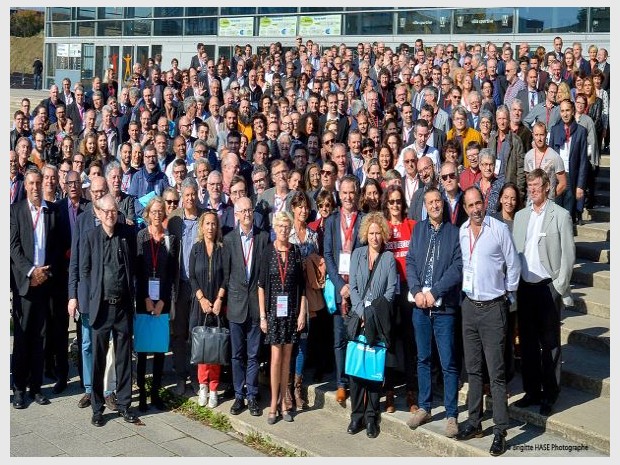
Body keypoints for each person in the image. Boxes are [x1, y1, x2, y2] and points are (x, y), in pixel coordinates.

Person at [455, 186, 521, 457]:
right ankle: (474, 421)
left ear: (484, 202)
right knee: (473, 370)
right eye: (470, 205)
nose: (475, 209)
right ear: (466, 208)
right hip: (469, 306)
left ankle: (500, 430)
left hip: (494, 307)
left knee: (496, 373)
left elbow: (514, 265)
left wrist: (507, 295)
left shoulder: (498, 229)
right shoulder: (461, 231)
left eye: (478, 203)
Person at [512, 169, 575, 417]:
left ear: (547, 187)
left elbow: (569, 255)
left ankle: (550, 393)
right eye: (530, 186)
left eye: (537, 186)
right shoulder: (520, 216)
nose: (533, 190)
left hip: (548, 287)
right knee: (527, 343)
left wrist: (559, 286)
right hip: (525, 287)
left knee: (549, 344)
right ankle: (532, 391)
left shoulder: (560, 215)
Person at [405, 187, 462, 438]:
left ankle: (451, 414)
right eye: (430, 202)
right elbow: (411, 262)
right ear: (425, 206)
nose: (434, 205)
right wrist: (417, 291)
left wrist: (435, 292)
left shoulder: (454, 233)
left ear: (443, 204)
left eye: (438, 201)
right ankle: (425, 406)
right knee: (423, 358)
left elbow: (458, 267)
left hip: (444, 307)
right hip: (419, 306)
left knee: (448, 363)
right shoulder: (418, 230)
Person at [79, 194, 139, 427]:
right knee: (99, 360)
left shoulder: (127, 234)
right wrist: (90, 299)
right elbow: (84, 271)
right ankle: (97, 407)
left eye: (114, 211)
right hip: (100, 309)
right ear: (98, 212)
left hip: (123, 307)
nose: (110, 215)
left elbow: (132, 266)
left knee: (124, 358)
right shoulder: (90, 238)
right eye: (106, 211)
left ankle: (124, 404)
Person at [10, 169, 61, 409]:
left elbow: (55, 246)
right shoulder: (15, 211)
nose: (34, 187)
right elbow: (13, 248)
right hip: (25, 284)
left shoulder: (51, 211)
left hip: (44, 283)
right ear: (25, 185)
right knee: (23, 338)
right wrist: (31, 273)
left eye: (38, 183)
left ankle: (37, 387)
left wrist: (44, 273)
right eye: (30, 183)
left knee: (41, 337)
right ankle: (19, 388)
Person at [346, 212, 398, 439]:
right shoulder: (357, 254)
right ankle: (356, 416)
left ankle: (371, 418)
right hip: (359, 320)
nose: (375, 237)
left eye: (379, 233)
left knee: (374, 373)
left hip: (378, 321)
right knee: (357, 371)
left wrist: (372, 315)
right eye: (372, 233)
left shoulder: (388, 259)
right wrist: (362, 313)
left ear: (384, 235)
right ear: (365, 234)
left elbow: (389, 294)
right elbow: (353, 288)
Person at [221, 196, 270, 417]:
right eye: (244, 211)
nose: (248, 214)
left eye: (250, 210)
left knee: (253, 354)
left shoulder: (263, 238)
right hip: (236, 305)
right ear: (236, 215)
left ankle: (252, 395)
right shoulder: (229, 239)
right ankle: (239, 396)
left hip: (255, 306)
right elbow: (227, 274)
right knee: (236, 354)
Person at [258, 212, 307, 424]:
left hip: (291, 312)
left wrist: (302, 313)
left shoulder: (296, 251)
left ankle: (285, 404)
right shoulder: (268, 252)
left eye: (287, 227)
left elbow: (302, 286)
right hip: (273, 313)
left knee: (288, 358)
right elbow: (261, 286)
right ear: (275, 228)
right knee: (275, 357)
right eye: (280, 226)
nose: (284, 230)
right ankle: (273, 403)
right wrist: (262, 316)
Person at [323, 175, 365, 406]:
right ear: (339, 194)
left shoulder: (364, 220)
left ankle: (355, 380)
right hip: (339, 288)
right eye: (345, 193)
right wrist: (341, 286)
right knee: (339, 338)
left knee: (356, 337)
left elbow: (368, 254)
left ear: (357, 194)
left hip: (357, 288)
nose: (348, 197)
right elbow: (327, 255)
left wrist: (354, 286)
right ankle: (341, 384)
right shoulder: (331, 222)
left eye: (352, 193)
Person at [135, 196, 178, 412]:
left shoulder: (170, 239)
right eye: (154, 211)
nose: (158, 214)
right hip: (144, 300)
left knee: (160, 350)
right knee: (143, 350)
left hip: (162, 301)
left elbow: (172, 274)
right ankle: (142, 393)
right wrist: (145, 299)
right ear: (148, 213)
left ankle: (155, 394)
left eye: (161, 211)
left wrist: (163, 301)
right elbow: (138, 272)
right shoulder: (141, 236)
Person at [382, 185, 418, 414]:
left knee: (409, 342)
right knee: (389, 343)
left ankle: (411, 391)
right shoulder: (382, 229)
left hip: (408, 290)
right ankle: (389, 392)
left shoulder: (412, 226)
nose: (395, 205)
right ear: (386, 204)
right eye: (392, 201)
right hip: (388, 291)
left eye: (398, 201)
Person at [167, 178, 204, 395]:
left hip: (198, 285)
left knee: (195, 332)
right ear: (182, 194)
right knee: (179, 333)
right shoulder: (173, 219)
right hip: (179, 285)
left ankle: (195, 377)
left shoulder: (204, 218)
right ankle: (181, 376)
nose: (190, 198)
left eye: (193, 194)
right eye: (187, 194)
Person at [189, 211, 226, 409]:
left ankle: (214, 389)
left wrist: (219, 298)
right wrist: (201, 298)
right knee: (203, 348)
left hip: (218, 305)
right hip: (200, 305)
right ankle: (202, 386)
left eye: (214, 224)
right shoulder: (195, 249)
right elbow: (191, 276)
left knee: (216, 347)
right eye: (207, 224)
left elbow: (226, 276)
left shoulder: (222, 249)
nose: (210, 227)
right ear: (202, 227)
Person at [287, 191, 320, 411]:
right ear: (293, 209)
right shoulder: (286, 233)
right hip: (288, 295)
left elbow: (317, 263)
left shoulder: (312, 235)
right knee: (289, 341)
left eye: (306, 207)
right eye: (299, 206)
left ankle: (298, 386)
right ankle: (286, 388)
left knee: (303, 341)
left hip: (306, 295)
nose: (303, 210)